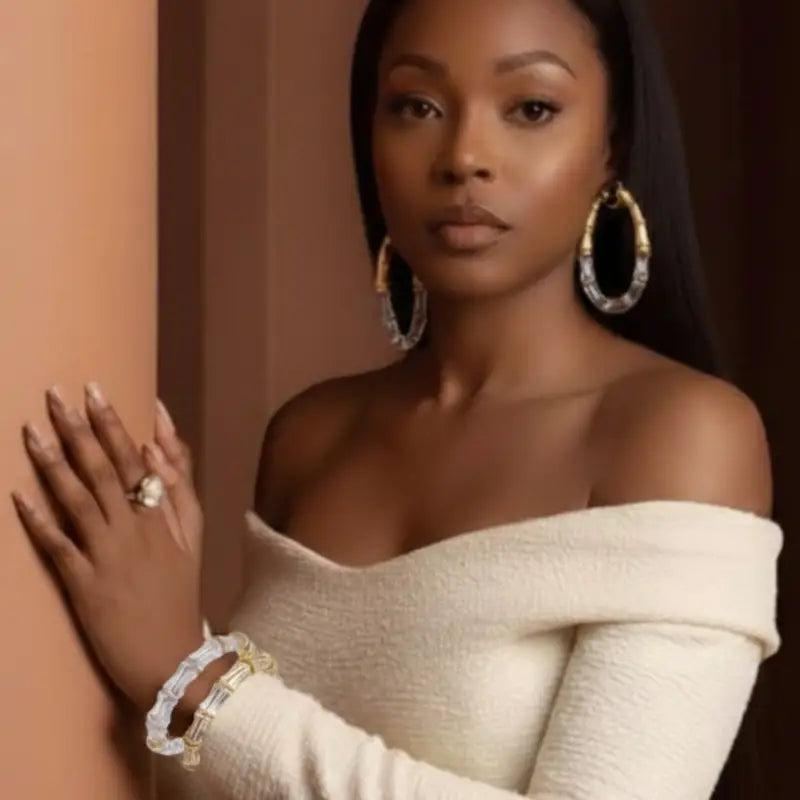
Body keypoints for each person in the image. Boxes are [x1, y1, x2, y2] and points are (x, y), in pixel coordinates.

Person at [11, 0, 782, 798]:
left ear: (611, 145)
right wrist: (161, 625)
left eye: (531, 109)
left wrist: (191, 673)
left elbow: (228, 719)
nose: (464, 156)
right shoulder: (312, 438)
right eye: (417, 106)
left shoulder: (682, 434)